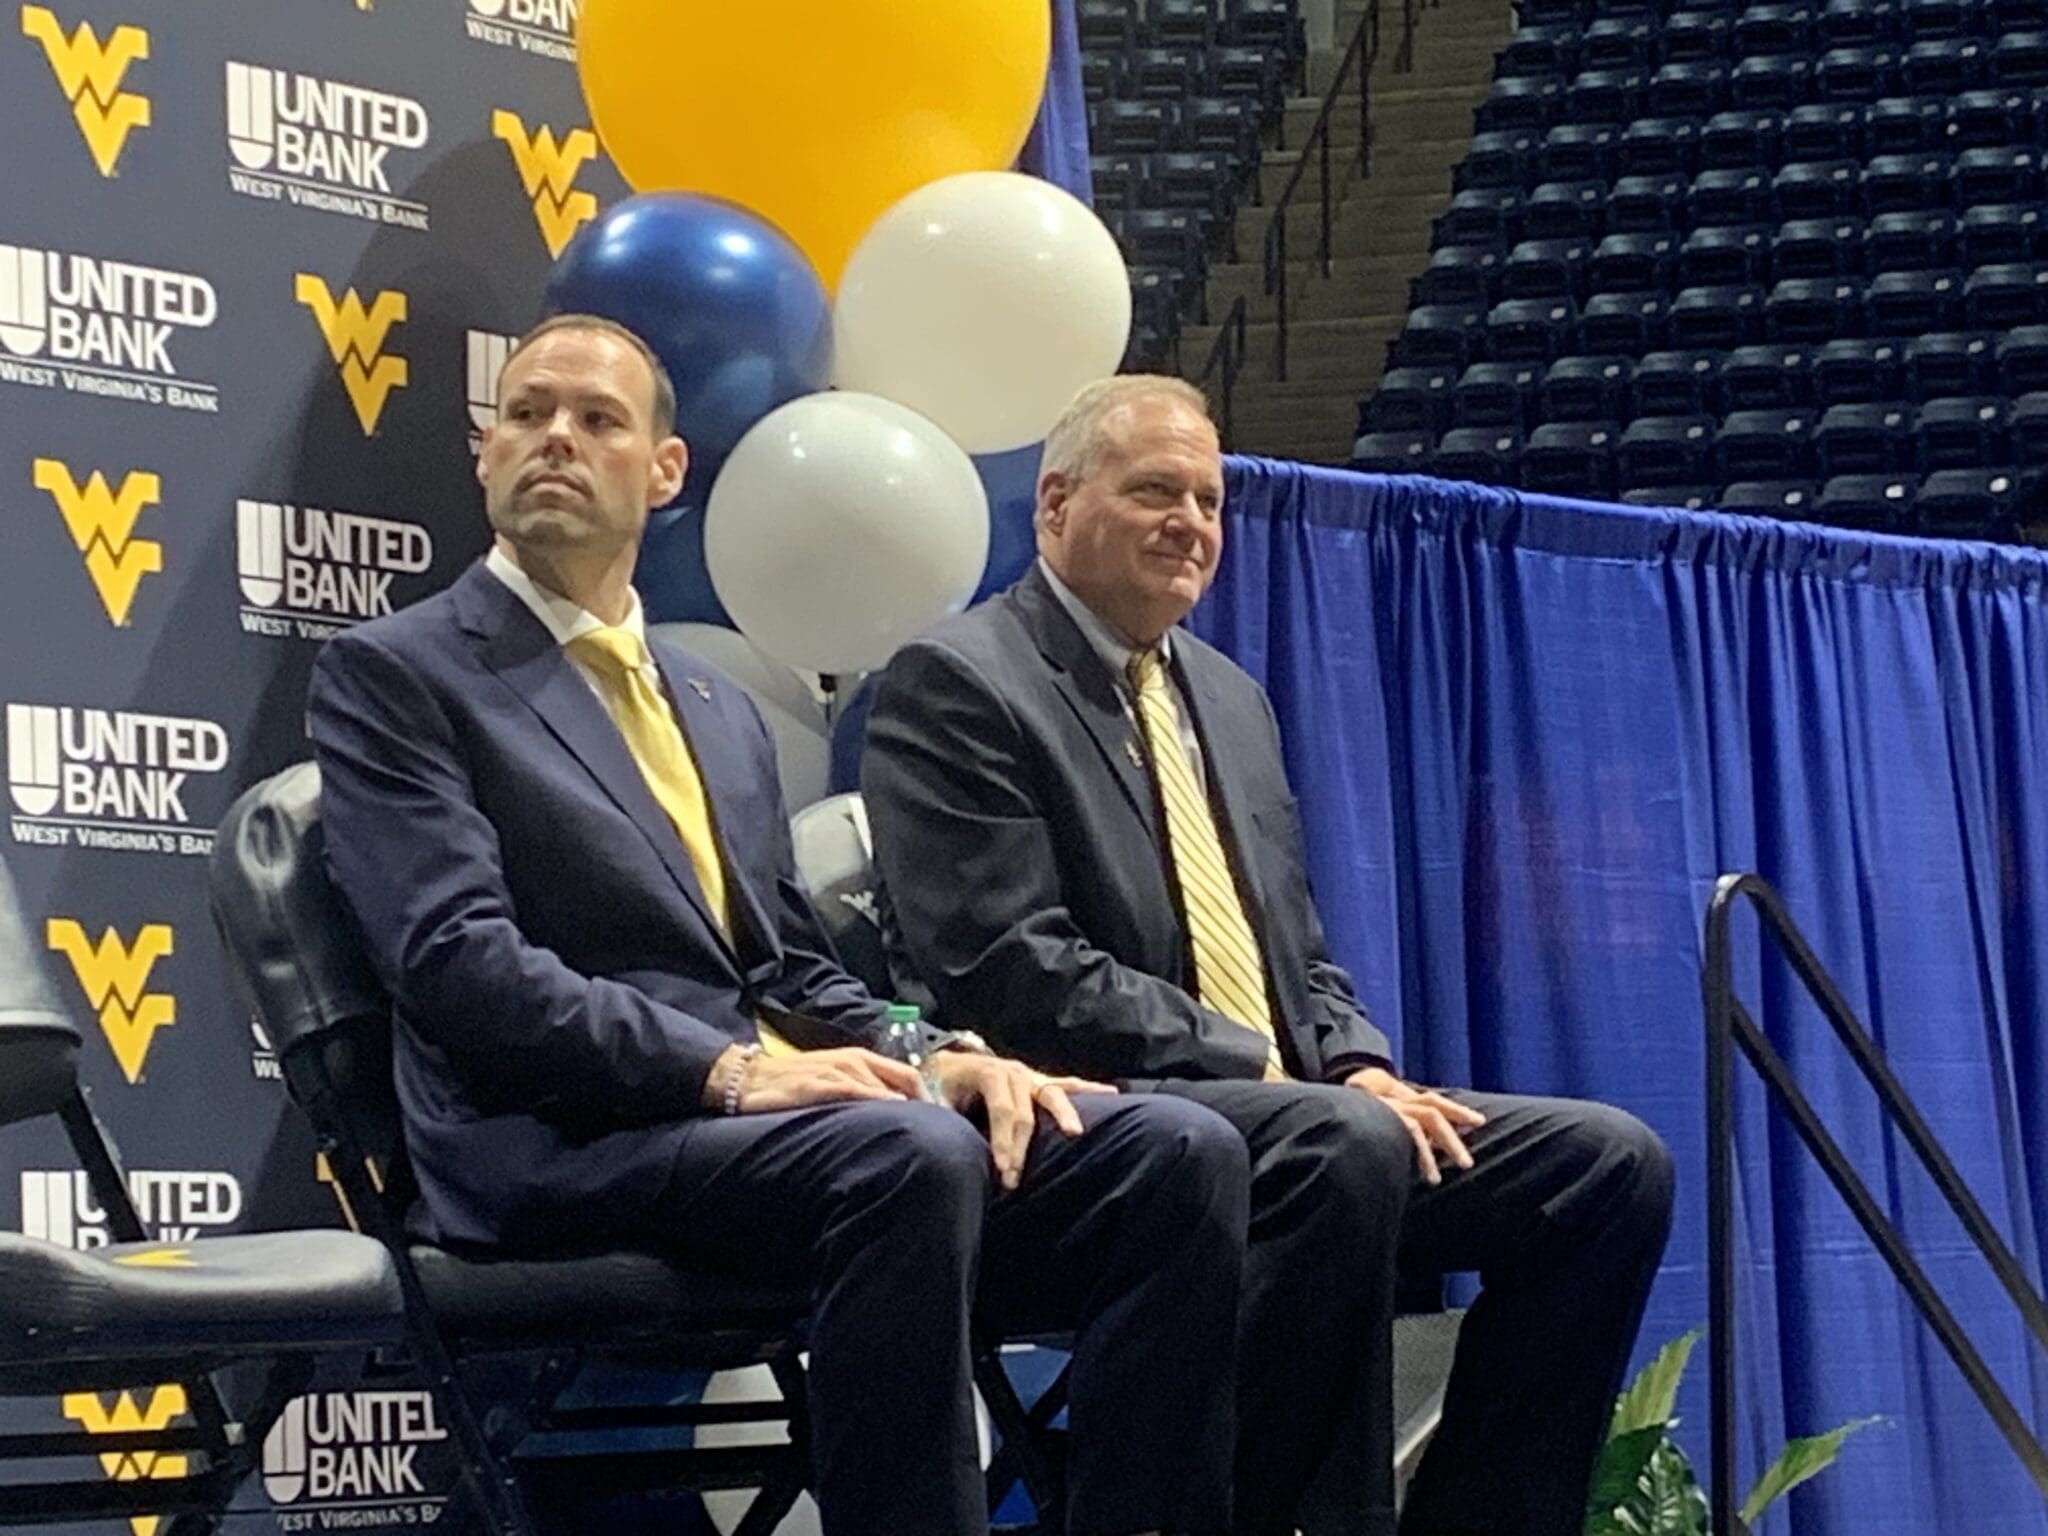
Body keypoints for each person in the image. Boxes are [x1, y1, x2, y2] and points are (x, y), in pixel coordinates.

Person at [306, 321, 1250, 1536]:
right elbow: (459, 969)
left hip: (767, 1132)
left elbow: (792, 968)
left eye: (596, 420)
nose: (553, 438)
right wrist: (731, 1072)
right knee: (906, 1156)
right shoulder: (398, 673)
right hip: (558, 1137)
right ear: (484, 454)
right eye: (527, 414)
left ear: (663, 472)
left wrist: (935, 1054)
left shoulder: (711, 704)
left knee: (1173, 1152)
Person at [861, 375, 1676, 1536]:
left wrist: (1354, 1064)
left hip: (1284, 1111)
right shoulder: (957, 681)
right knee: (1338, 1151)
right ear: (1052, 505)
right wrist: (1266, 1074)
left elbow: (1295, 951)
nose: (1189, 523)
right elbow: (1009, 970)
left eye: (1206, 499)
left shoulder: (1228, 699)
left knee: (1601, 1167)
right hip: (1081, 1128)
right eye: (1154, 491)